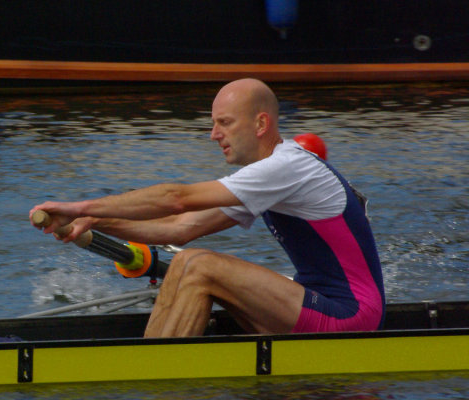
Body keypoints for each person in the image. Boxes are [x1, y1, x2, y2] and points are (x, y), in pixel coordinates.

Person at [30, 78, 384, 338]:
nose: (214, 134)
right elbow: (179, 227)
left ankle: (157, 372)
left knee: (196, 264)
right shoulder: (265, 177)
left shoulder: (288, 166)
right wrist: (94, 220)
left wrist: (77, 207)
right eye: (214, 123)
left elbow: (176, 198)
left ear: (261, 124)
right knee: (187, 260)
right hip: (315, 302)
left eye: (224, 123)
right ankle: (152, 360)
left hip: (351, 317)